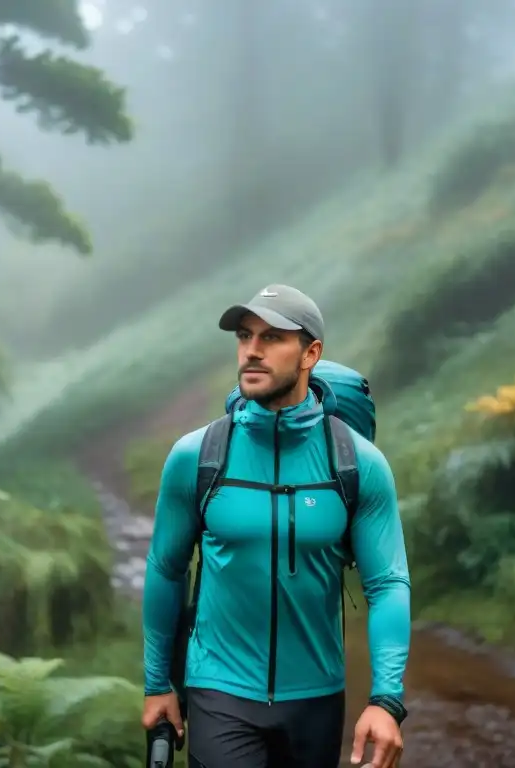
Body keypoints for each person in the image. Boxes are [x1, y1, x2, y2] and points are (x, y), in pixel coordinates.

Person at [141, 284, 411, 768]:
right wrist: (158, 683)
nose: (252, 350)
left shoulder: (357, 464)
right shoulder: (197, 457)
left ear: (311, 353)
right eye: (245, 336)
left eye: (272, 338)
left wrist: (386, 699)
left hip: (316, 699)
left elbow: (387, 583)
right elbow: (166, 568)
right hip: (219, 691)